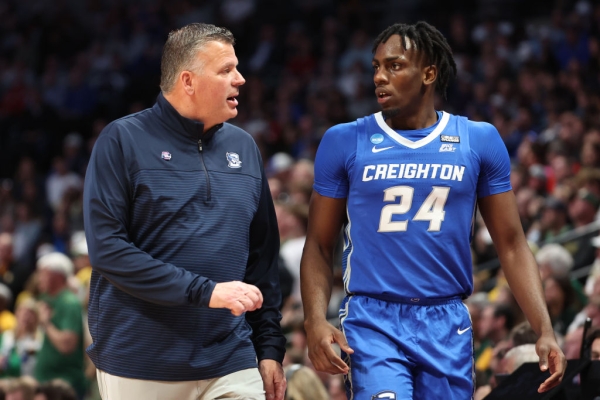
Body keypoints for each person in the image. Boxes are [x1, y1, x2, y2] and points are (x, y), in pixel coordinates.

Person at [300, 21, 566, 399]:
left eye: (394, 66)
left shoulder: (479, 140)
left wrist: (544, 330)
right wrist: (314, 320)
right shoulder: (344, 140)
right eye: (376, 67)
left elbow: (511, 243)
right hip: (374, 319)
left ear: (428, 73)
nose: (380, 77)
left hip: (446, 321)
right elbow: (318, 244)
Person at [83, 23, 286, 400]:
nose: (240, 79)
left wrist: (270, 347)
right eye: (226, 70)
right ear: (188, 81)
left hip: (230, 357)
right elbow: (108, 250)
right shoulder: (122, 140)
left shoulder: (244, 148)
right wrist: (205, 292)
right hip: (141, 361)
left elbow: (263, 259)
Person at [33, 252, 86, 399]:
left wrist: (46, 324)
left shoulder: (69, 303)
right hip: (48, 383)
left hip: (63, 387)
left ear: (55, 276)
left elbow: (67, 346)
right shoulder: (48, 300)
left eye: (42, 274)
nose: (39, 279)